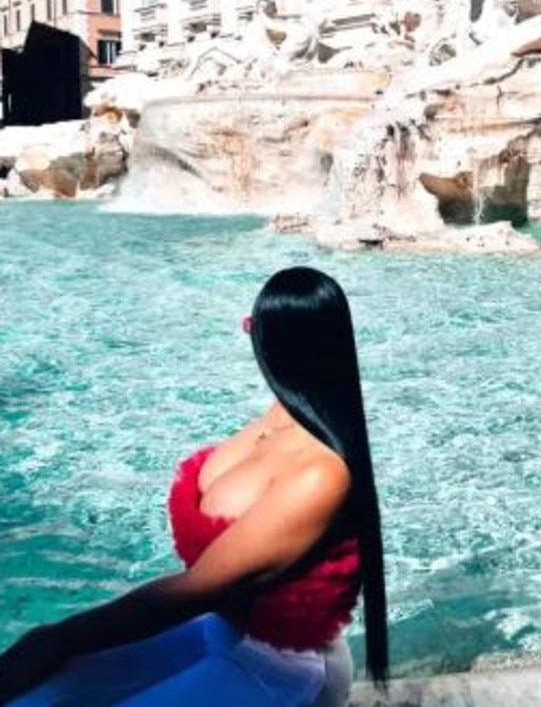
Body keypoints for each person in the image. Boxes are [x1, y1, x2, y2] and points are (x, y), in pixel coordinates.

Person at [0, 267, 388, 706]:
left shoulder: (321, 473)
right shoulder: (278, 417)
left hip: (281, 668)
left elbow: (198, 588)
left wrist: (57, 637)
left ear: (272, 345)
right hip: (220, 630)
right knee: (36, 696)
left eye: (252, 328)